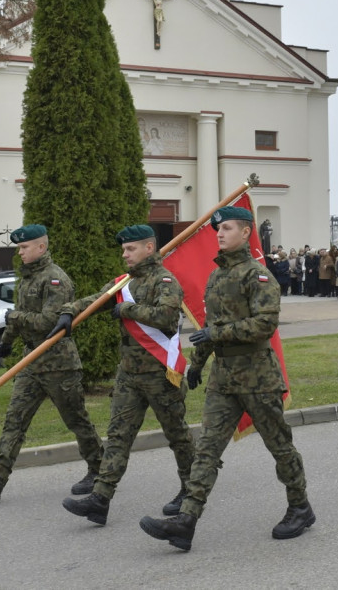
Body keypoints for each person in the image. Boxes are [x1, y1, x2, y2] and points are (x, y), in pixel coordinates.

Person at [139, 206, 313, 551]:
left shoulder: (258, 275)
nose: (219, 234)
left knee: (279, 446)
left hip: (257, 376)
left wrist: (217, 335)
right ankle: (186, 522)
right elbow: (209, 329)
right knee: (206, 450)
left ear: (246, 232)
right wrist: (197, 364)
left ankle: (300, 507)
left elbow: (265, 324)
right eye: (218, 229)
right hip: (224, 379)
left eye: (228, 228)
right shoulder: (217, 276)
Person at [0, 224, 103, 503]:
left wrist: (13, 320)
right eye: (19, 248)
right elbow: (21, 314)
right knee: (15, 420)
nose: (20, 252)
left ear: (41, 247)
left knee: (76, 420)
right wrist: (9, 340)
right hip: (31, 362)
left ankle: (99, 470)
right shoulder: (25, 278)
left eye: (24, 248)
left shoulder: (56, 280)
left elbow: (50, 323)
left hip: (59, 363)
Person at [59, 225, 194, 526]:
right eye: (123, 250)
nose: (125, 255)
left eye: (130, 249)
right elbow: (95, 300)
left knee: (178, 437)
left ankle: (190, 491)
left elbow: (166, 318)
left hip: (160, 375)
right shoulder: (124, 283)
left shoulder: (165, 280)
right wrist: (68, 311)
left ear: (148, 248)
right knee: (119, 436)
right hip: (129, 375)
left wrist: (129, 311)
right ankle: (100, 499)